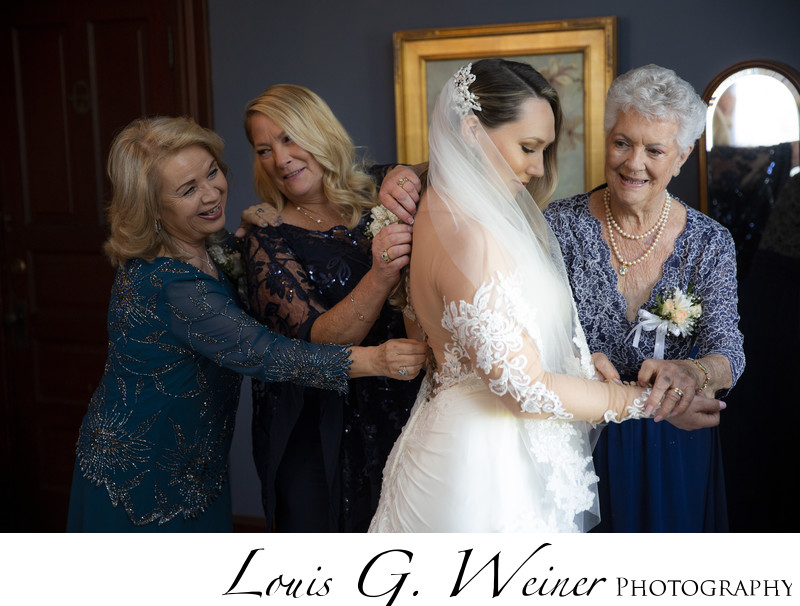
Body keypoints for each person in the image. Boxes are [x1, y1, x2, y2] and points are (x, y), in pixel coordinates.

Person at [383, 64, 743, 533]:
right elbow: (510, 357)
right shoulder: (553, 223)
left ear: (682, 156)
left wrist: (694, 372)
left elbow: (727, 346)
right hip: (569, 437)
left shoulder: (708, 241)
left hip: (669, 435)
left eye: (654, 150)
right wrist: (407, 173)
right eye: (622, 143)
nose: (634, 163)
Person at [66, 116, 426, 533]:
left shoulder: (205, 245)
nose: (211, 193)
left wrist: (399, 174)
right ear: (151, 207)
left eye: (212, 173)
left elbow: (233, 268)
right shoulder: (170, 283)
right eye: (188, 190)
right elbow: (263, 352)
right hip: (143, 471)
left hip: (194, 458)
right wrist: (376, 360)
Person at [240, 85, 422, 532]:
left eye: (289, 138)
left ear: (319, 132)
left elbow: (448, 166)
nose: (280, 159)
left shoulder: (379, 189)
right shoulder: (267, 236)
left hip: (400, 397)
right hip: (316, 422)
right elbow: (321, 337)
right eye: (265, 149)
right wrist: (380, 273)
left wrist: (409, 171)